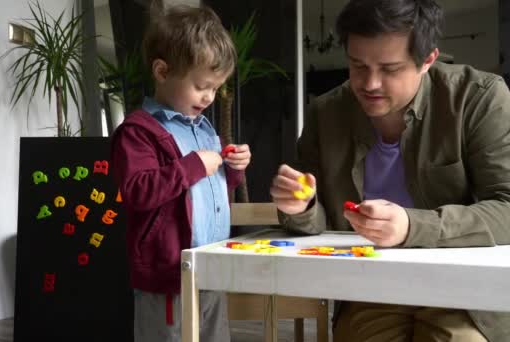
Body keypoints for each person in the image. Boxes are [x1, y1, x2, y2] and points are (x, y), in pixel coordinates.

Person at [270, 0, 510, 341]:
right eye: (357, 65)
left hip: (464, 290)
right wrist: (301, 207)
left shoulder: (478, 99)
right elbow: (315, 221)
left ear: (428, 60)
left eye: (390, 68)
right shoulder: (326, 114)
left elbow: (506, 207)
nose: (370, 83)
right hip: (370, 286)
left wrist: (413, 226)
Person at [111, 5, 251, 342]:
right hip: (168, 279)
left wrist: (232, 171)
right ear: (162, 71)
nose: (209, 96)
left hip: (211, 268)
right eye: (202, 85)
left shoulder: (203, 128)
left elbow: (208, 191)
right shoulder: (137, 132)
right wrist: (192, 166)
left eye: (215, 88)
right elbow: (137, 190)